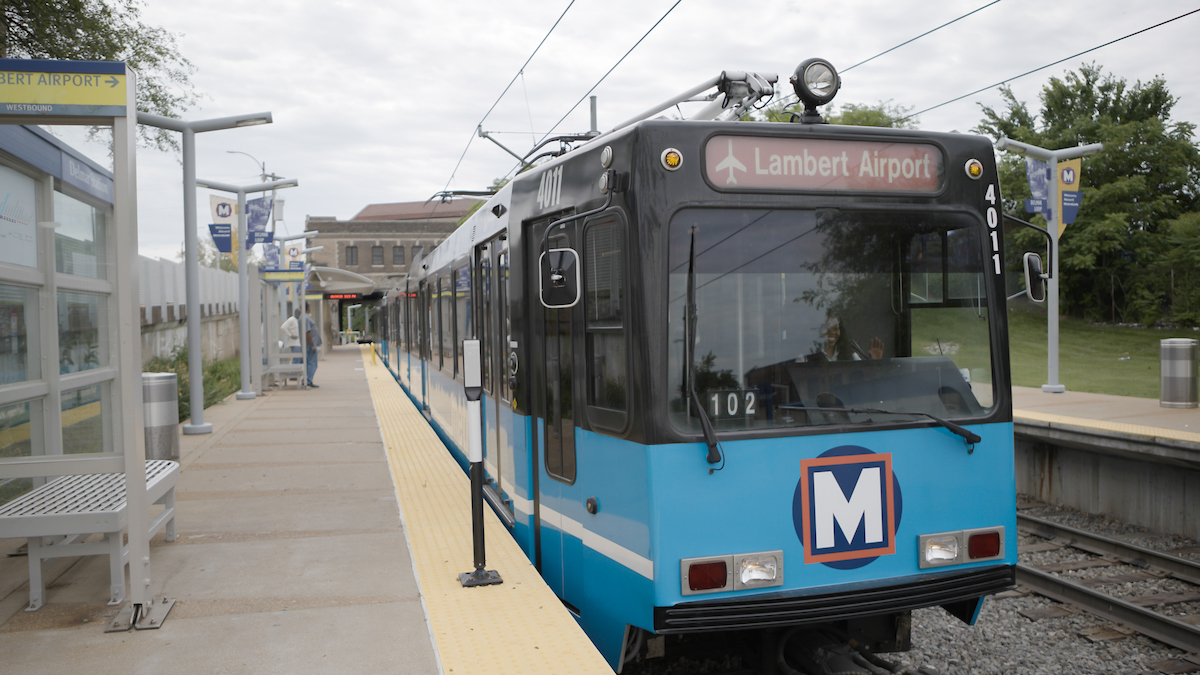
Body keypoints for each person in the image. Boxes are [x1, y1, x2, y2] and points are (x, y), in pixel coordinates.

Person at [809, 316, 883, 362]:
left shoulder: (852, 357)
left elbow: (865, 381)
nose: (832, 332)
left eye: (835, 328)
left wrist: (875, 363)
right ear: (821, 331)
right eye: (828, 328)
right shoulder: (806, 359)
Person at [303, 303, 322, 388]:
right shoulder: (306, 318)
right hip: (309, 346)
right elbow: (307, 332)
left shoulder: (304, 317)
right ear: (307, 308)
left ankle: (307, 380)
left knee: (310, 363)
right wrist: (311, 344)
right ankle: (308, 380)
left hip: (309, 345)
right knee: (312, 364)